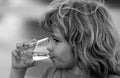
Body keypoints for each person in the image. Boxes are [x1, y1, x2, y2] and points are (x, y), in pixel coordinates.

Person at [10, 0, 120, 78]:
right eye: (50, 38)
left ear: (82, 44)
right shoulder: (51, 74)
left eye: (56, 40)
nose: (48, 46)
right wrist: (18, 70)